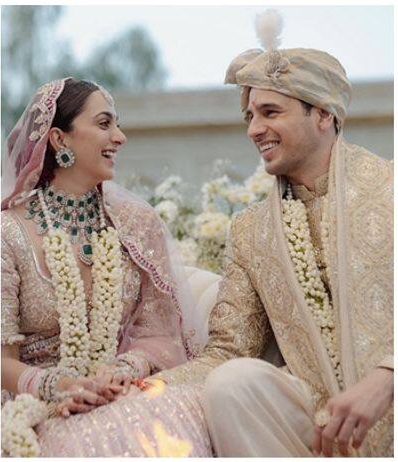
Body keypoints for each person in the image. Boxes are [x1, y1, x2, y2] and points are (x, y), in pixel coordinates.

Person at [154, 10, 393, 457]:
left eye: (269, 112)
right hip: (319, 424)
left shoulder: (391, 189)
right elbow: (227, 349)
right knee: (233, 384)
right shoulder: (251, 230)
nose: (253, 129)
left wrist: (387, 378)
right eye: (249, 116)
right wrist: (147, 386)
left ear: (322, 114)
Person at [0, 77, 212, 457]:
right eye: (104, 124)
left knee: (175, 413)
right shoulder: (7, 232)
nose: (120, 137)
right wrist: (61, 385)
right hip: (40, 404)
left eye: (117, 124)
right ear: (59, 140)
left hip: (124, 391)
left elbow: (160, 333)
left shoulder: (135, 224)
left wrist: (122, 370)